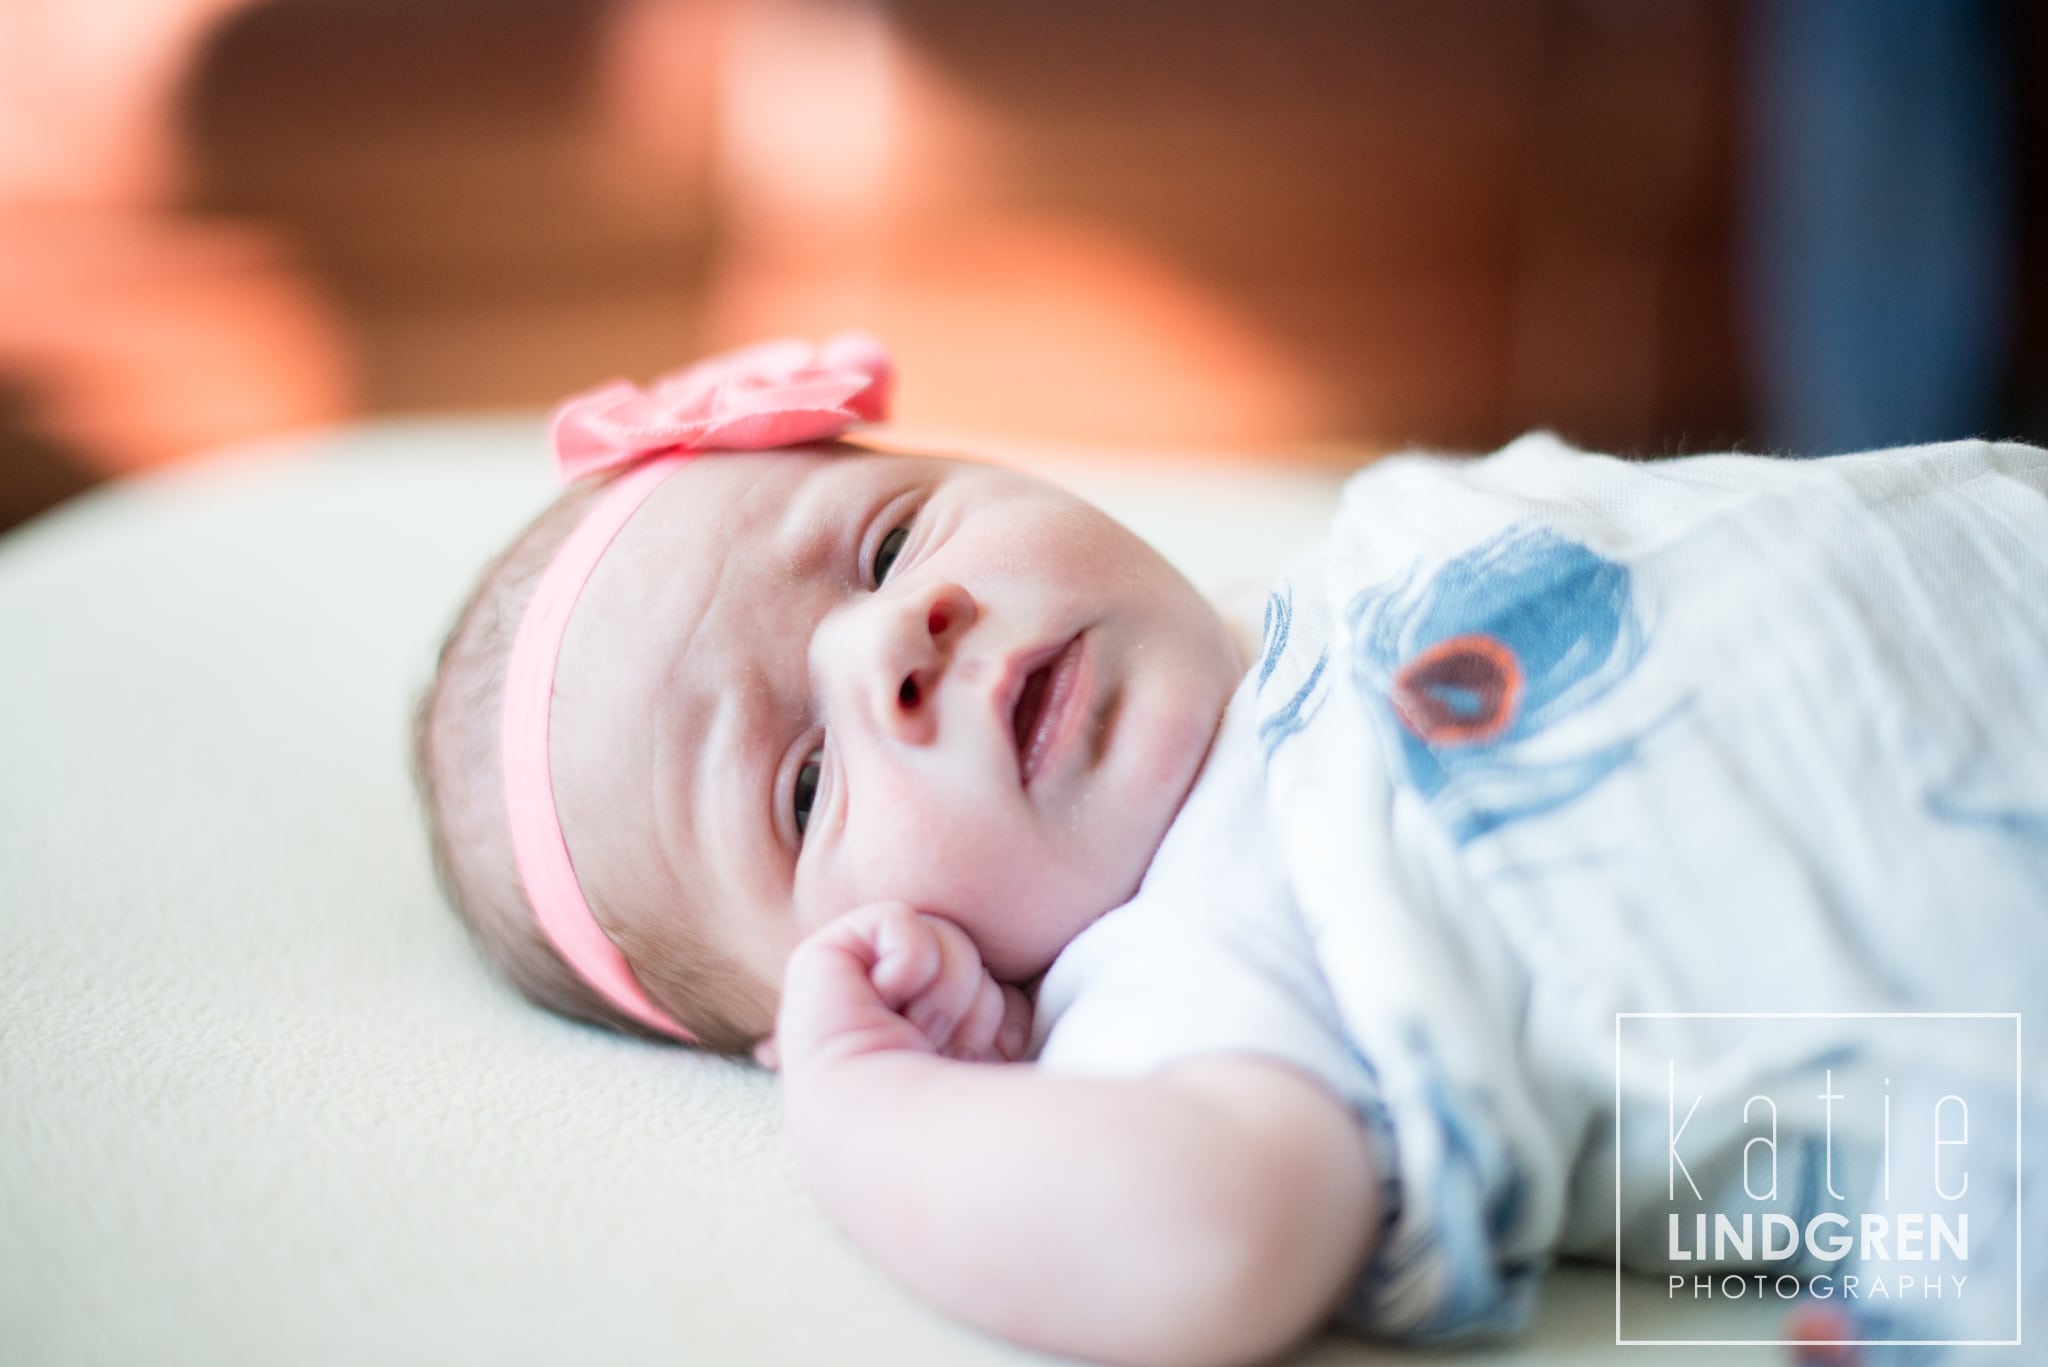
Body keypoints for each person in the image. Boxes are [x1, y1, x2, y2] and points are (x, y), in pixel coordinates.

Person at [415, 335, 2048, 1367]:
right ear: (842, 981)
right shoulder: (1181, 968)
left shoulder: (1352, 556)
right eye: (803, 785)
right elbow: (1205, 1244)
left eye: (888, 538)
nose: (894, 640)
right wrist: (869, 1107)